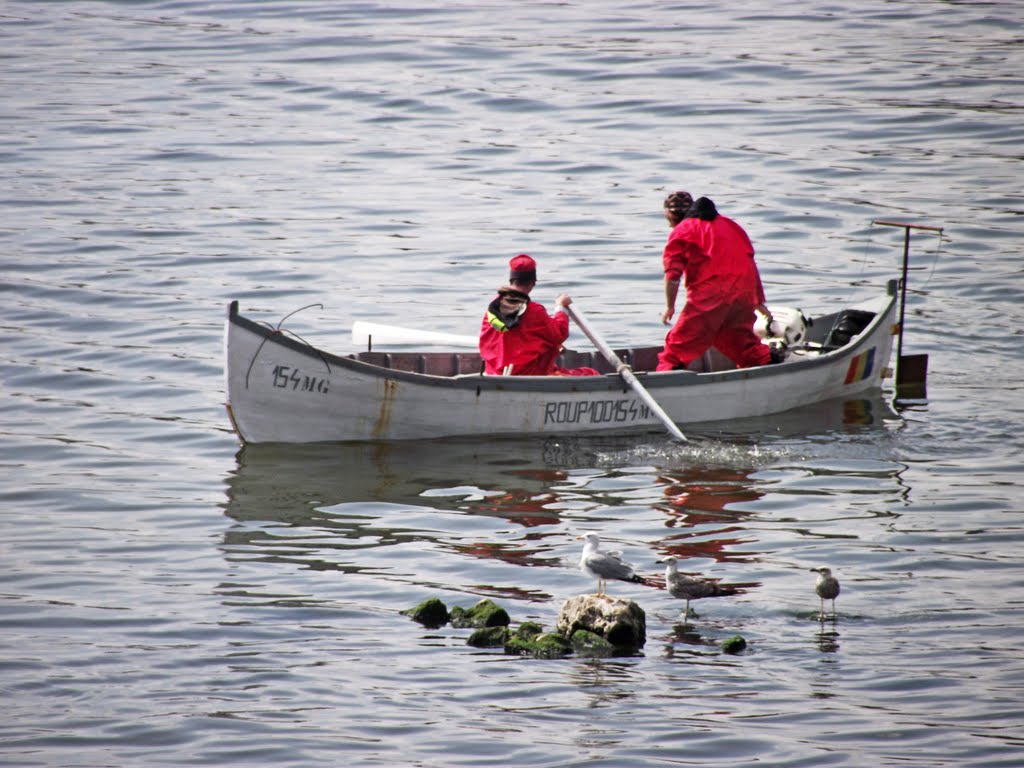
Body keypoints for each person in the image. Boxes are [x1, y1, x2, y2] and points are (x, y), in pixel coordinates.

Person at [656, 192, 776, 372]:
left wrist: (669, 306)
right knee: (740, 343)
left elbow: (673, 275)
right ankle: (770, 369)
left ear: (671, 216)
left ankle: (664, 382)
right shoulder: (731, 225)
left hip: (710, 298)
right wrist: (757, 301)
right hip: (742, 294)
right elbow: (748, 261)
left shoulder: (682, 231)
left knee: (676, 348)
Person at [479, 254, 599, 376]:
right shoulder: (534, 311)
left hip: (494, 374)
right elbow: (560, 333)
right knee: (591, 373)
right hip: (529, 375)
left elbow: (515, 337)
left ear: (511, 280)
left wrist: (550, 344)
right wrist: (560, 308)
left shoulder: (492, 308)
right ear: (533, 282)